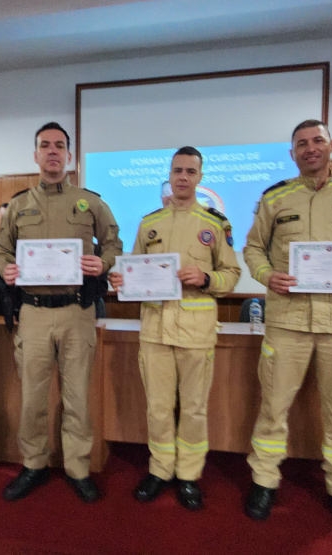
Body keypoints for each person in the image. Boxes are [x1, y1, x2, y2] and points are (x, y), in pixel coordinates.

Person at [242, 120, 332, 542]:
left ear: (331, 146)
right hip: (287, 322)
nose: (310, 149)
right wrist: (267, 275)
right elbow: (253, 247)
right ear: (292, 153)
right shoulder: (275, 197)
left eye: (317, 141)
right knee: (273, 408)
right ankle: (264, 482)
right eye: (302, 144)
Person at [0, 122, 122, 503]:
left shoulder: (90, 201)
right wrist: (6, 269)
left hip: (75, 311)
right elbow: (0, 251)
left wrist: (103, 261)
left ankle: (78, 467)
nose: (52, 152)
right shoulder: (18, 205)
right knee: (32, 397)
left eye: (59, 146)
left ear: (69, 156)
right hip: (32, 312)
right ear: (35, 155)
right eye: (45, 146)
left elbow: (114, 242)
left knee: (77, 396)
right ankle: (33, 464)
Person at [108, 147, 240, 510]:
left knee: (194, 408)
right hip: (154, 329)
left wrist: (206, 276)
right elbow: (132, 270)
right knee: (158, 407)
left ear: (200, 177)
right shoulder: (149, 222)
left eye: (190, 171)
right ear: (169, 174)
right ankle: (160, 469)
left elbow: (231, 274)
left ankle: (189, 475)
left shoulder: (216, 224)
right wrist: (120, 278)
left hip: (197, 331)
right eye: (177, 170)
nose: (183, 177)